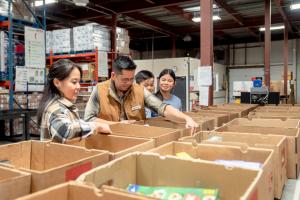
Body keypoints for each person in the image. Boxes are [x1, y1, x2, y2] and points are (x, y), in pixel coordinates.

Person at [84, 56, 198, 133]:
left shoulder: (139, 91)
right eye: (124, 80)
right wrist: (117, 124)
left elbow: (163, 108)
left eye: (131, 79)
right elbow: (89, 119)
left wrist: (186, 118)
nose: (129, 83)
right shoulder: (99, 90)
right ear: (113, 76)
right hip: (109, 140)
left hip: (137, 139)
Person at [37, 59, 111, 143]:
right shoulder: (54, 109)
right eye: (74, 82)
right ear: (57, 82)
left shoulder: (66, 106)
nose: (78, 86)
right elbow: (66, 133)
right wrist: (96, 126)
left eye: (79, 82)